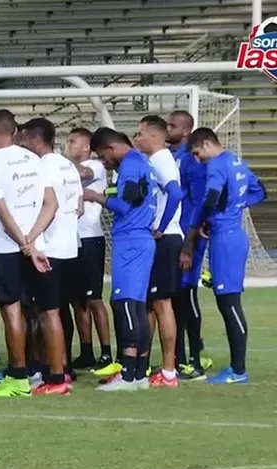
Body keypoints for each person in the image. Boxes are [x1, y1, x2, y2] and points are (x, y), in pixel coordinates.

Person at [181, 127, 265, 385]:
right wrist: (233, 207)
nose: (197, 159)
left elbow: (210, 197)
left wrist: (202, 221)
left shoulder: (216, 164)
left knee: (229, 304)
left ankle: (238, 370)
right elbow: (260, 191)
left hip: (225, 239)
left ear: (207, 144)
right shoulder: (236, 161)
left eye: (197, 153)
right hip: (234, 234)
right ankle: (237, 368)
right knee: (229, 302)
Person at [0, 109, 51, 398]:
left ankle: (18, 375)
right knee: (37, 311)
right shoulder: (34, 160)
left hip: (8, 247)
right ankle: (39, 370)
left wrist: (22, 243)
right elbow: (51, 203)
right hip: (38, 243)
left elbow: (2, 212)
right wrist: (33, 241)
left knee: (11, 311)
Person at [83, 127, 157, 392]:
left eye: (103, 156)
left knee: (124, 304)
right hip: (141, 239)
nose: (104, 162)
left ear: (112, 148)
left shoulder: (129, 166)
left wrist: (94, 196)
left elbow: (124, 206)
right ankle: (138, 374)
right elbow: (132, 197)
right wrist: (110, 193)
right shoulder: (141, 162)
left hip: (131, 240)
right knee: (136, 305)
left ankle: (127, 374)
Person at [18, 117, 81, 396]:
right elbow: (78, 207)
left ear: (34, 138)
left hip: (50, 249)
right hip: (70, 248)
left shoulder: (41, 167)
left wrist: (30, 238)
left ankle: (55, 378)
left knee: (48, 313)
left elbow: (48, 206)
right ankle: (62, 367)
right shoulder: (68, 166)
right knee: (59, 311)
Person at [137, 115, 185, 388]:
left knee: (162, 303)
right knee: (151, 305)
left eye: (140, 133)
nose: (138, 138)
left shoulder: (161, 160)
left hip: (165, 238)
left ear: (153, 136)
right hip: (162, 238)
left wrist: (161, 226)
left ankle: (169, 371)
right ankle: (144, 365)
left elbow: (176, 194)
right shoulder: (156, 160)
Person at [167, 110, 213, 379]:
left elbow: (198, 202)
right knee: (175, 297)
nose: (168, 128)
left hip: (188, 235)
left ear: (185, 131)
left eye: (172, 125)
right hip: (175, 235)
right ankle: (181, 357)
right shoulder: (173, 157)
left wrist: (190, 242)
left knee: (186, 295)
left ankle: (195, 359)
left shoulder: (194, 161)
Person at [64, 128, 113, 373]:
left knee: (94, 299)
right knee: (77, 301)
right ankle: (86, 351)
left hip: (91, 237)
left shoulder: (95, 166)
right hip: (73, 239)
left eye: (73, 141)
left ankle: (106, 352)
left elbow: (82, 172)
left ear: (86, 147)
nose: (67, 144)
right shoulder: (66, 169)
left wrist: (61, 164)